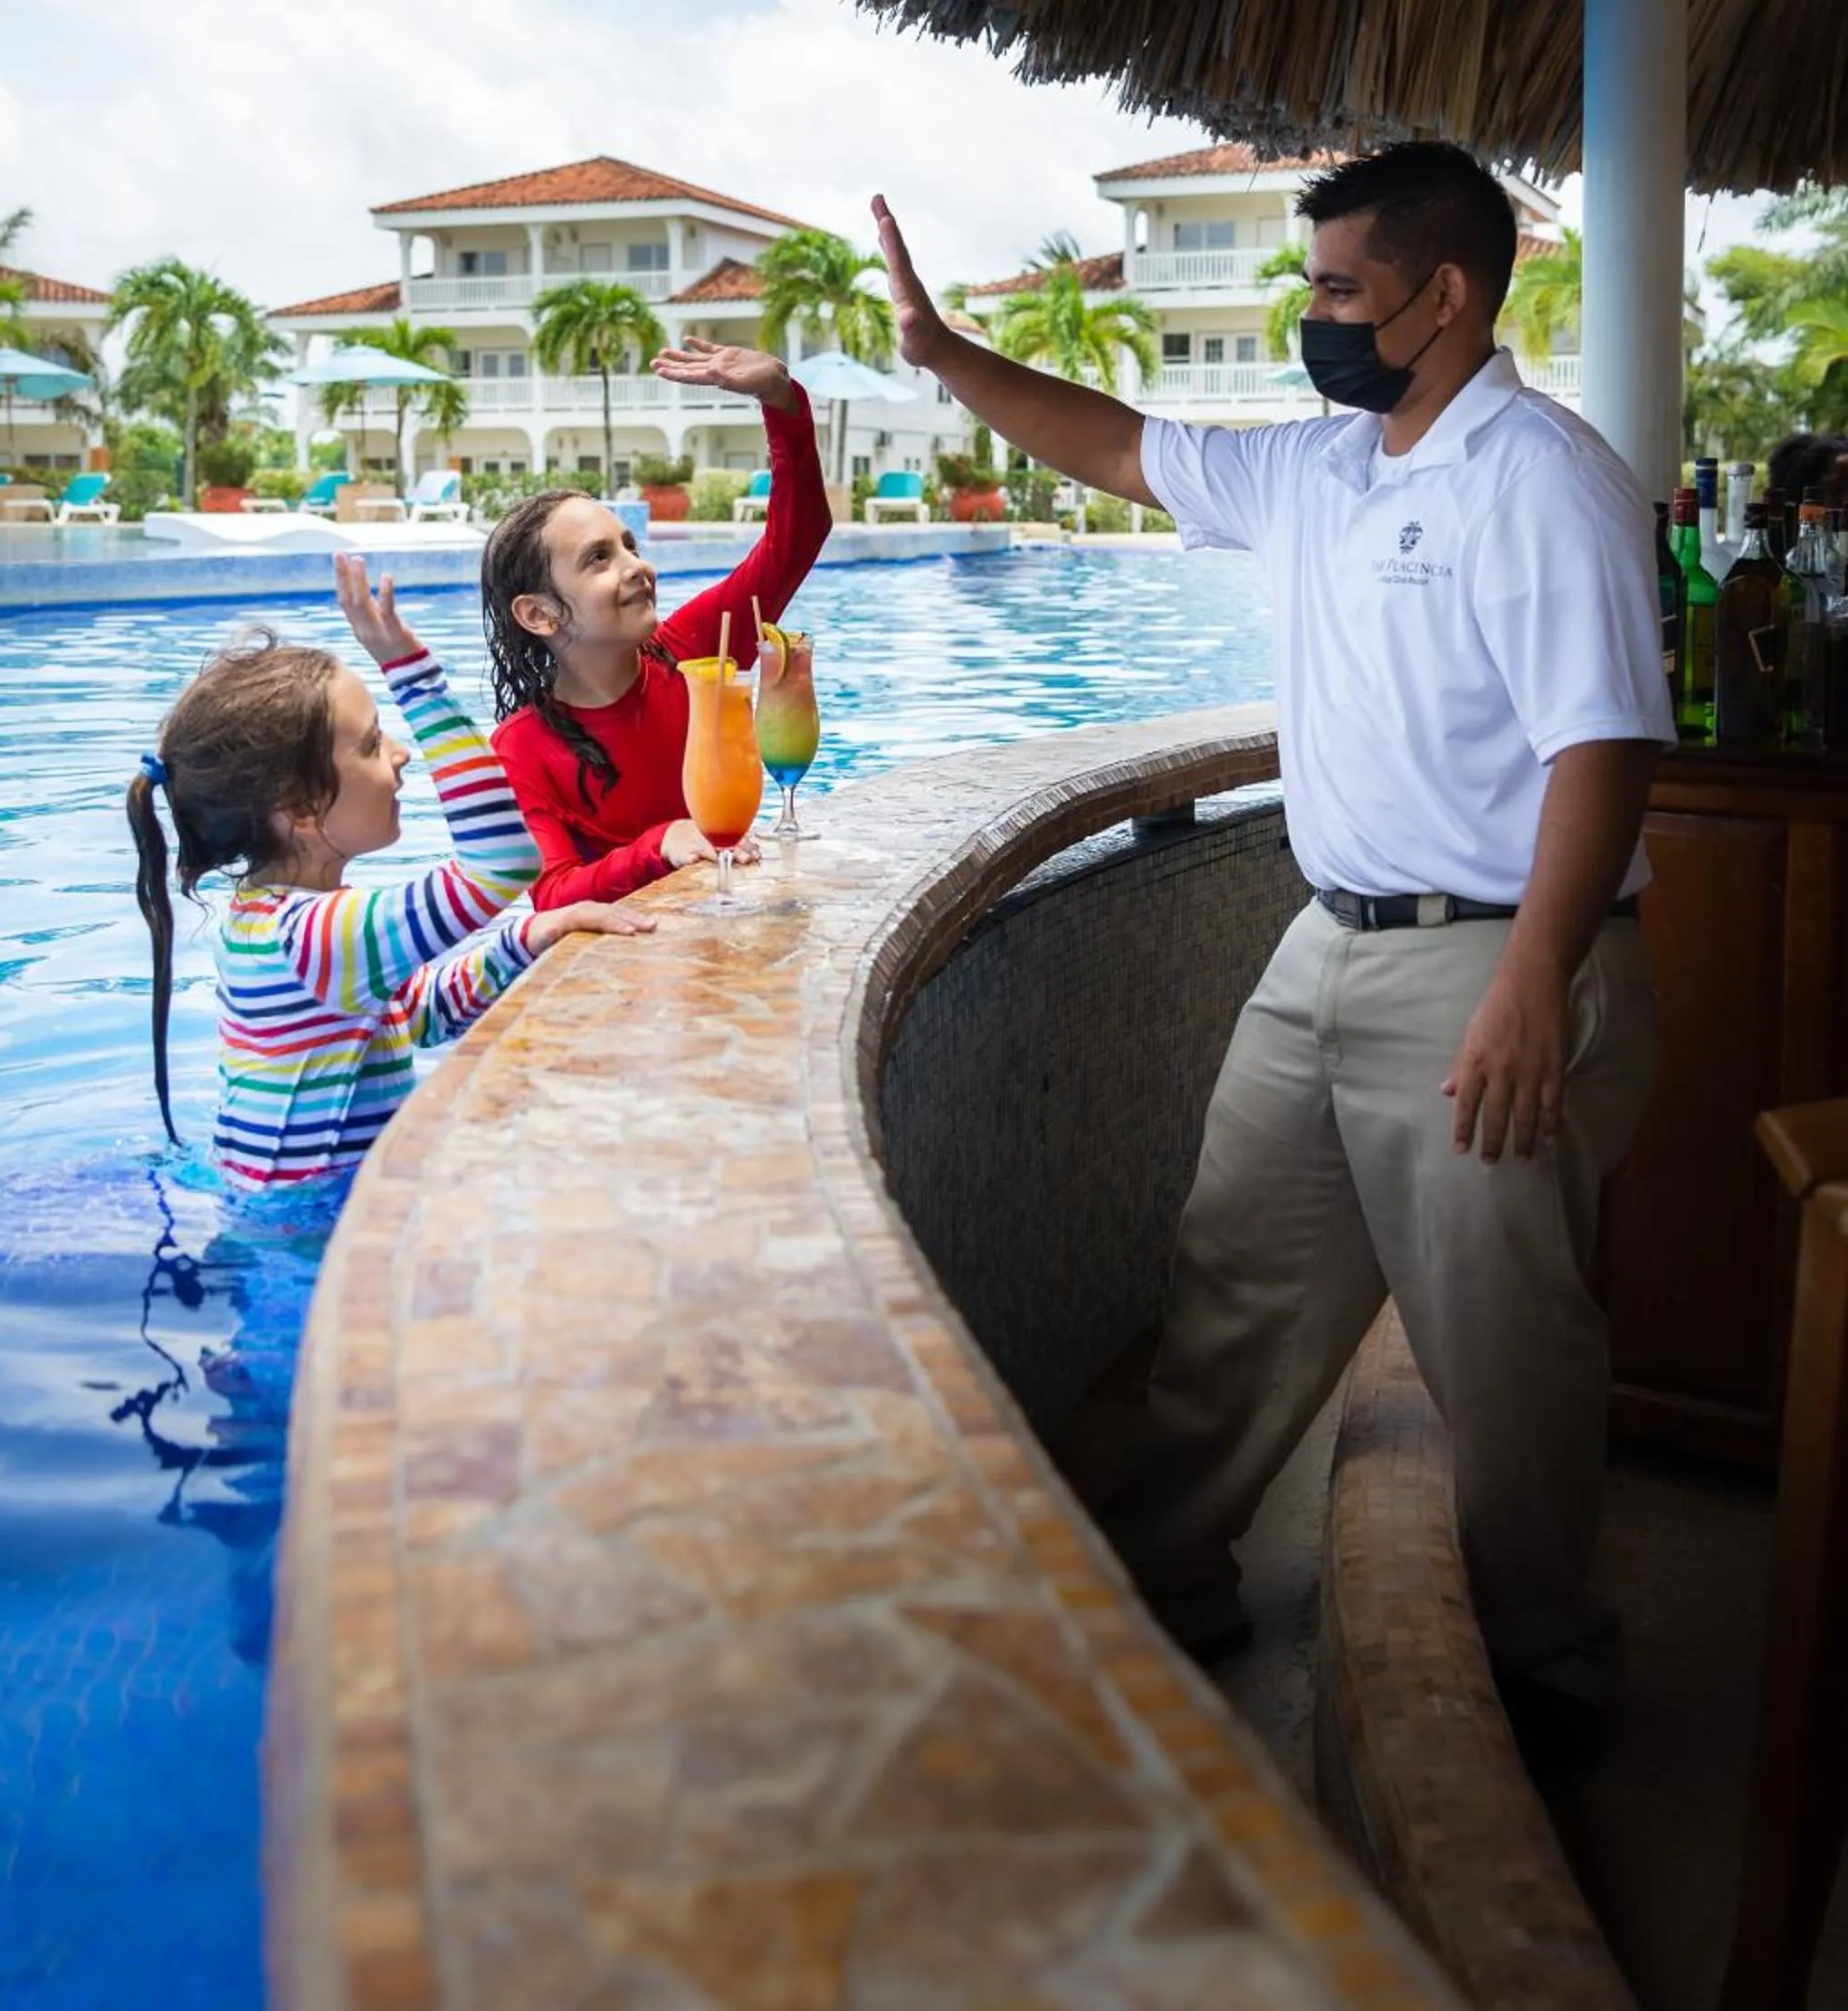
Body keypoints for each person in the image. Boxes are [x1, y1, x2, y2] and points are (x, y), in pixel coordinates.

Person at [874, 143, 1672, 1729]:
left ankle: (1547, 1669)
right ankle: (1163, 1583)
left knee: (1499, 1337)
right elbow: (1115, 442)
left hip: (1493, 955)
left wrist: (1533, 981)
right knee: (1234, 1263)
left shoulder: (1542, 478)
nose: (1306, 315)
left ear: (1443, 296)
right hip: (1330, 944)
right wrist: (944, 355)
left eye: (1334, 287)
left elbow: (1607, 747)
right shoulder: (1327, 467)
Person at [128, 557, 649, 1187]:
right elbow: (505, 864)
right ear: (297, 808)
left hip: (290, 1213)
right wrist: (414, 676)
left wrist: (533, 934)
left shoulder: (280, 921)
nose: (401, 755)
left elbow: (420, 1014)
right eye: (374, 744)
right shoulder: (314, 937)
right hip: (302, 1237)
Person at [483, 335, 831, 905]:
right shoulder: (521, 747)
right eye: (599, 558)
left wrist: (781, 402)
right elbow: (553, 893)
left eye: (629, 545)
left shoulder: (692, 651)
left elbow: (795, 541)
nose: (637, 566)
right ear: (539, 614)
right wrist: (660, 843)